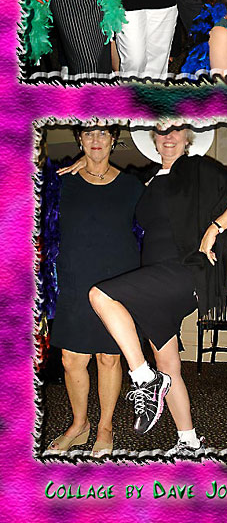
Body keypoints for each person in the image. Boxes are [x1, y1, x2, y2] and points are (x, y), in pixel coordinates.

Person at [87, 123, 227, 447]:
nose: (169, 136)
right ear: (154, 137)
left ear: (188, 137)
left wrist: (214, 229)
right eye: (162, 130)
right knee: (168, 365)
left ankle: (143, 378)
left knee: (100, 296)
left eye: (177, 130)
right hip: (156, 276)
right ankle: (189, 441)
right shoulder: (146, 179)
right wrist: (86, 161)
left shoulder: (197, 169)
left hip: (184, 270)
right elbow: (107, 178)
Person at [39, 125, 143, 455]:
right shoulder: (60, 183)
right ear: (79, 140)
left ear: (114, 140)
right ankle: (79, 424)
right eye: (88, 134)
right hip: (74, 280)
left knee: (109, 358)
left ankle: (105, 427)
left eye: (102, 134)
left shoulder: (132, 185)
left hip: (117, 282)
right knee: (71, 359)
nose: (96, 140)